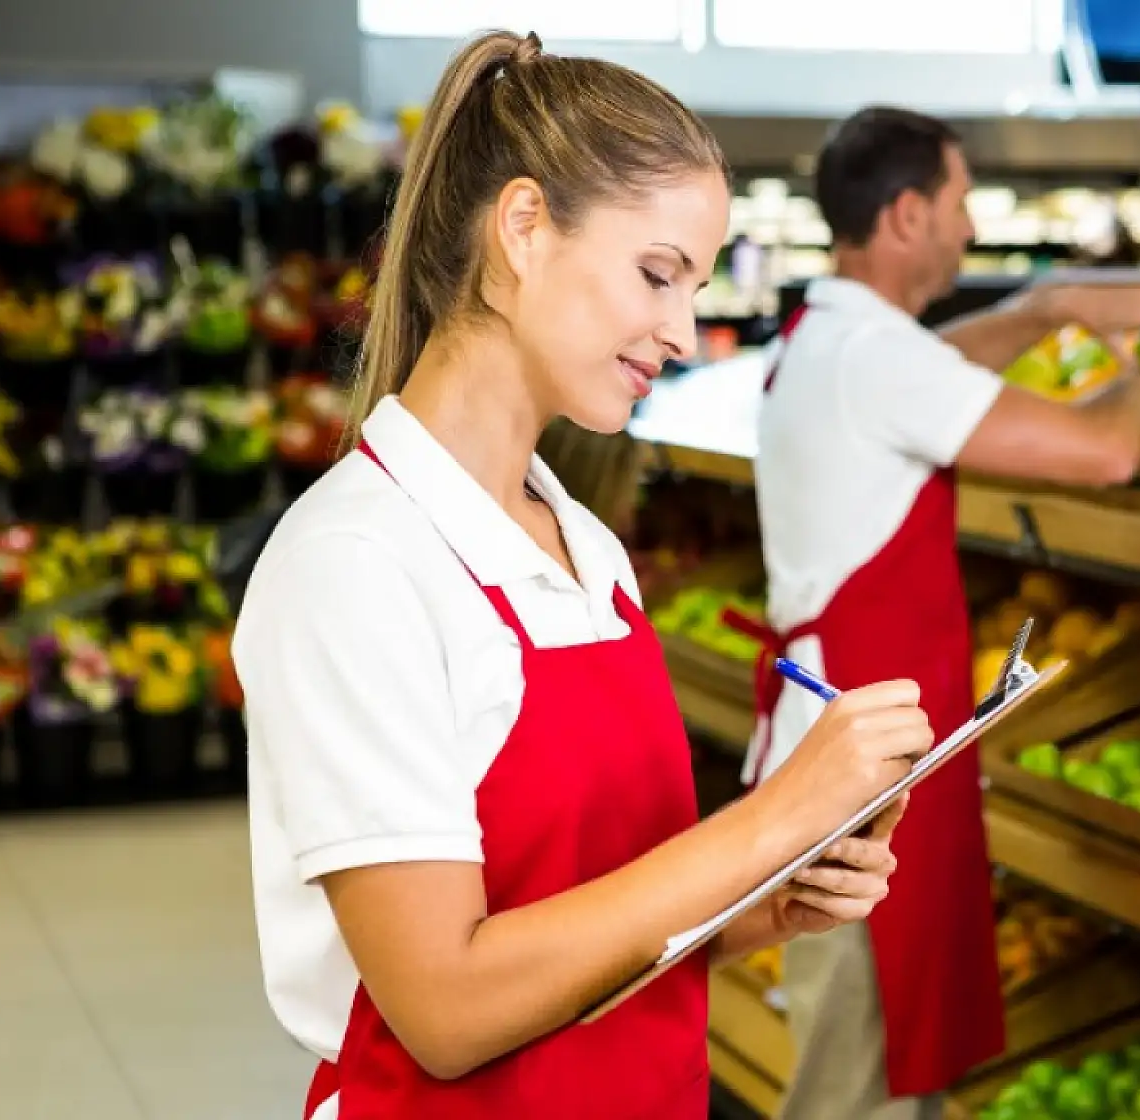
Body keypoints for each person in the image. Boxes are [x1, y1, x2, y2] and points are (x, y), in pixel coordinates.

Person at [232, 34, 937, 1120]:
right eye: (657, 275)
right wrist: (763, 819)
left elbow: (593, 903)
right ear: (522, 229)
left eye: (693, 287)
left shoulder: (584, 548)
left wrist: (772, 893)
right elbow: (447, 1004)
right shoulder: (356, 563)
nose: (681, 331)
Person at [734, 106, 1140, 1120]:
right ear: (906, 214)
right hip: (855, 779)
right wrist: (1138, 376)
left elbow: (936, 363)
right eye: (956, 202)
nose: (968, 224)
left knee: (878, 1067)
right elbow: (1102, 452)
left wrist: (1044, 309)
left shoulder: (835, 337)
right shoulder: (874, 357)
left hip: (847, 752)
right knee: (855, 1081)